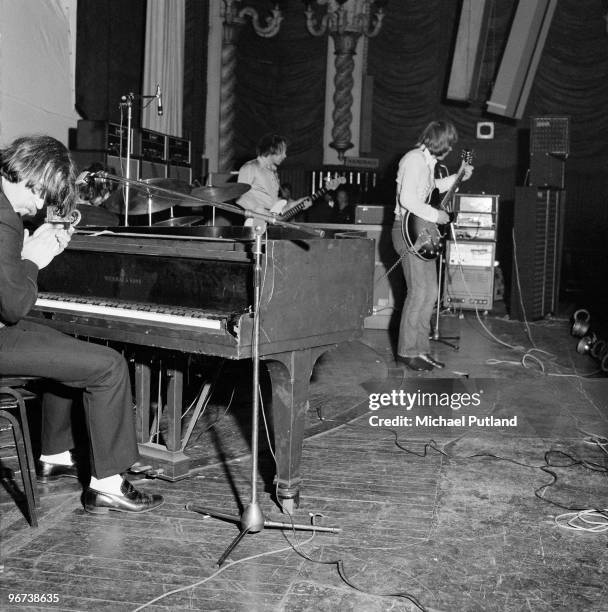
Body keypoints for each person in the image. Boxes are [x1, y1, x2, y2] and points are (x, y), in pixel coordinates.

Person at [0, 135, 163, 514]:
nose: (39, 206)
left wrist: (23, 257)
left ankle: (55, 453)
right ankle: (108, 485)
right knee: (108, 366)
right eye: (42, 195)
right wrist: (33, 260)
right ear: (32, 177)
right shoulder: (5, 218)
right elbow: (13, 307)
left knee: (68, 345)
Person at [392, 120, 473, 371]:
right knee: (418, 293)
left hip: (420, 232)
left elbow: (431, 189)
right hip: (407, 233)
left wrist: (458, 176)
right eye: (449, 146)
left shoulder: (426, 163)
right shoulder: (414, 159)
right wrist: (436, 216)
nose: (450, 151)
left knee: (429, 294)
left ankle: (420, 350)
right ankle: (407, 351)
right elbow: (407, 199)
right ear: (442, 144)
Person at [236, 134, 305, 225]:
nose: (285, 156)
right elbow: (240, 198)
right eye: (282, 152)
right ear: (272, 149)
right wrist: (264, 213)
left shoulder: (272, 172)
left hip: (268, 223)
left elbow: (274, 206)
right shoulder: (250, 167)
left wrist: (298, 204)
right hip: (255, 223)